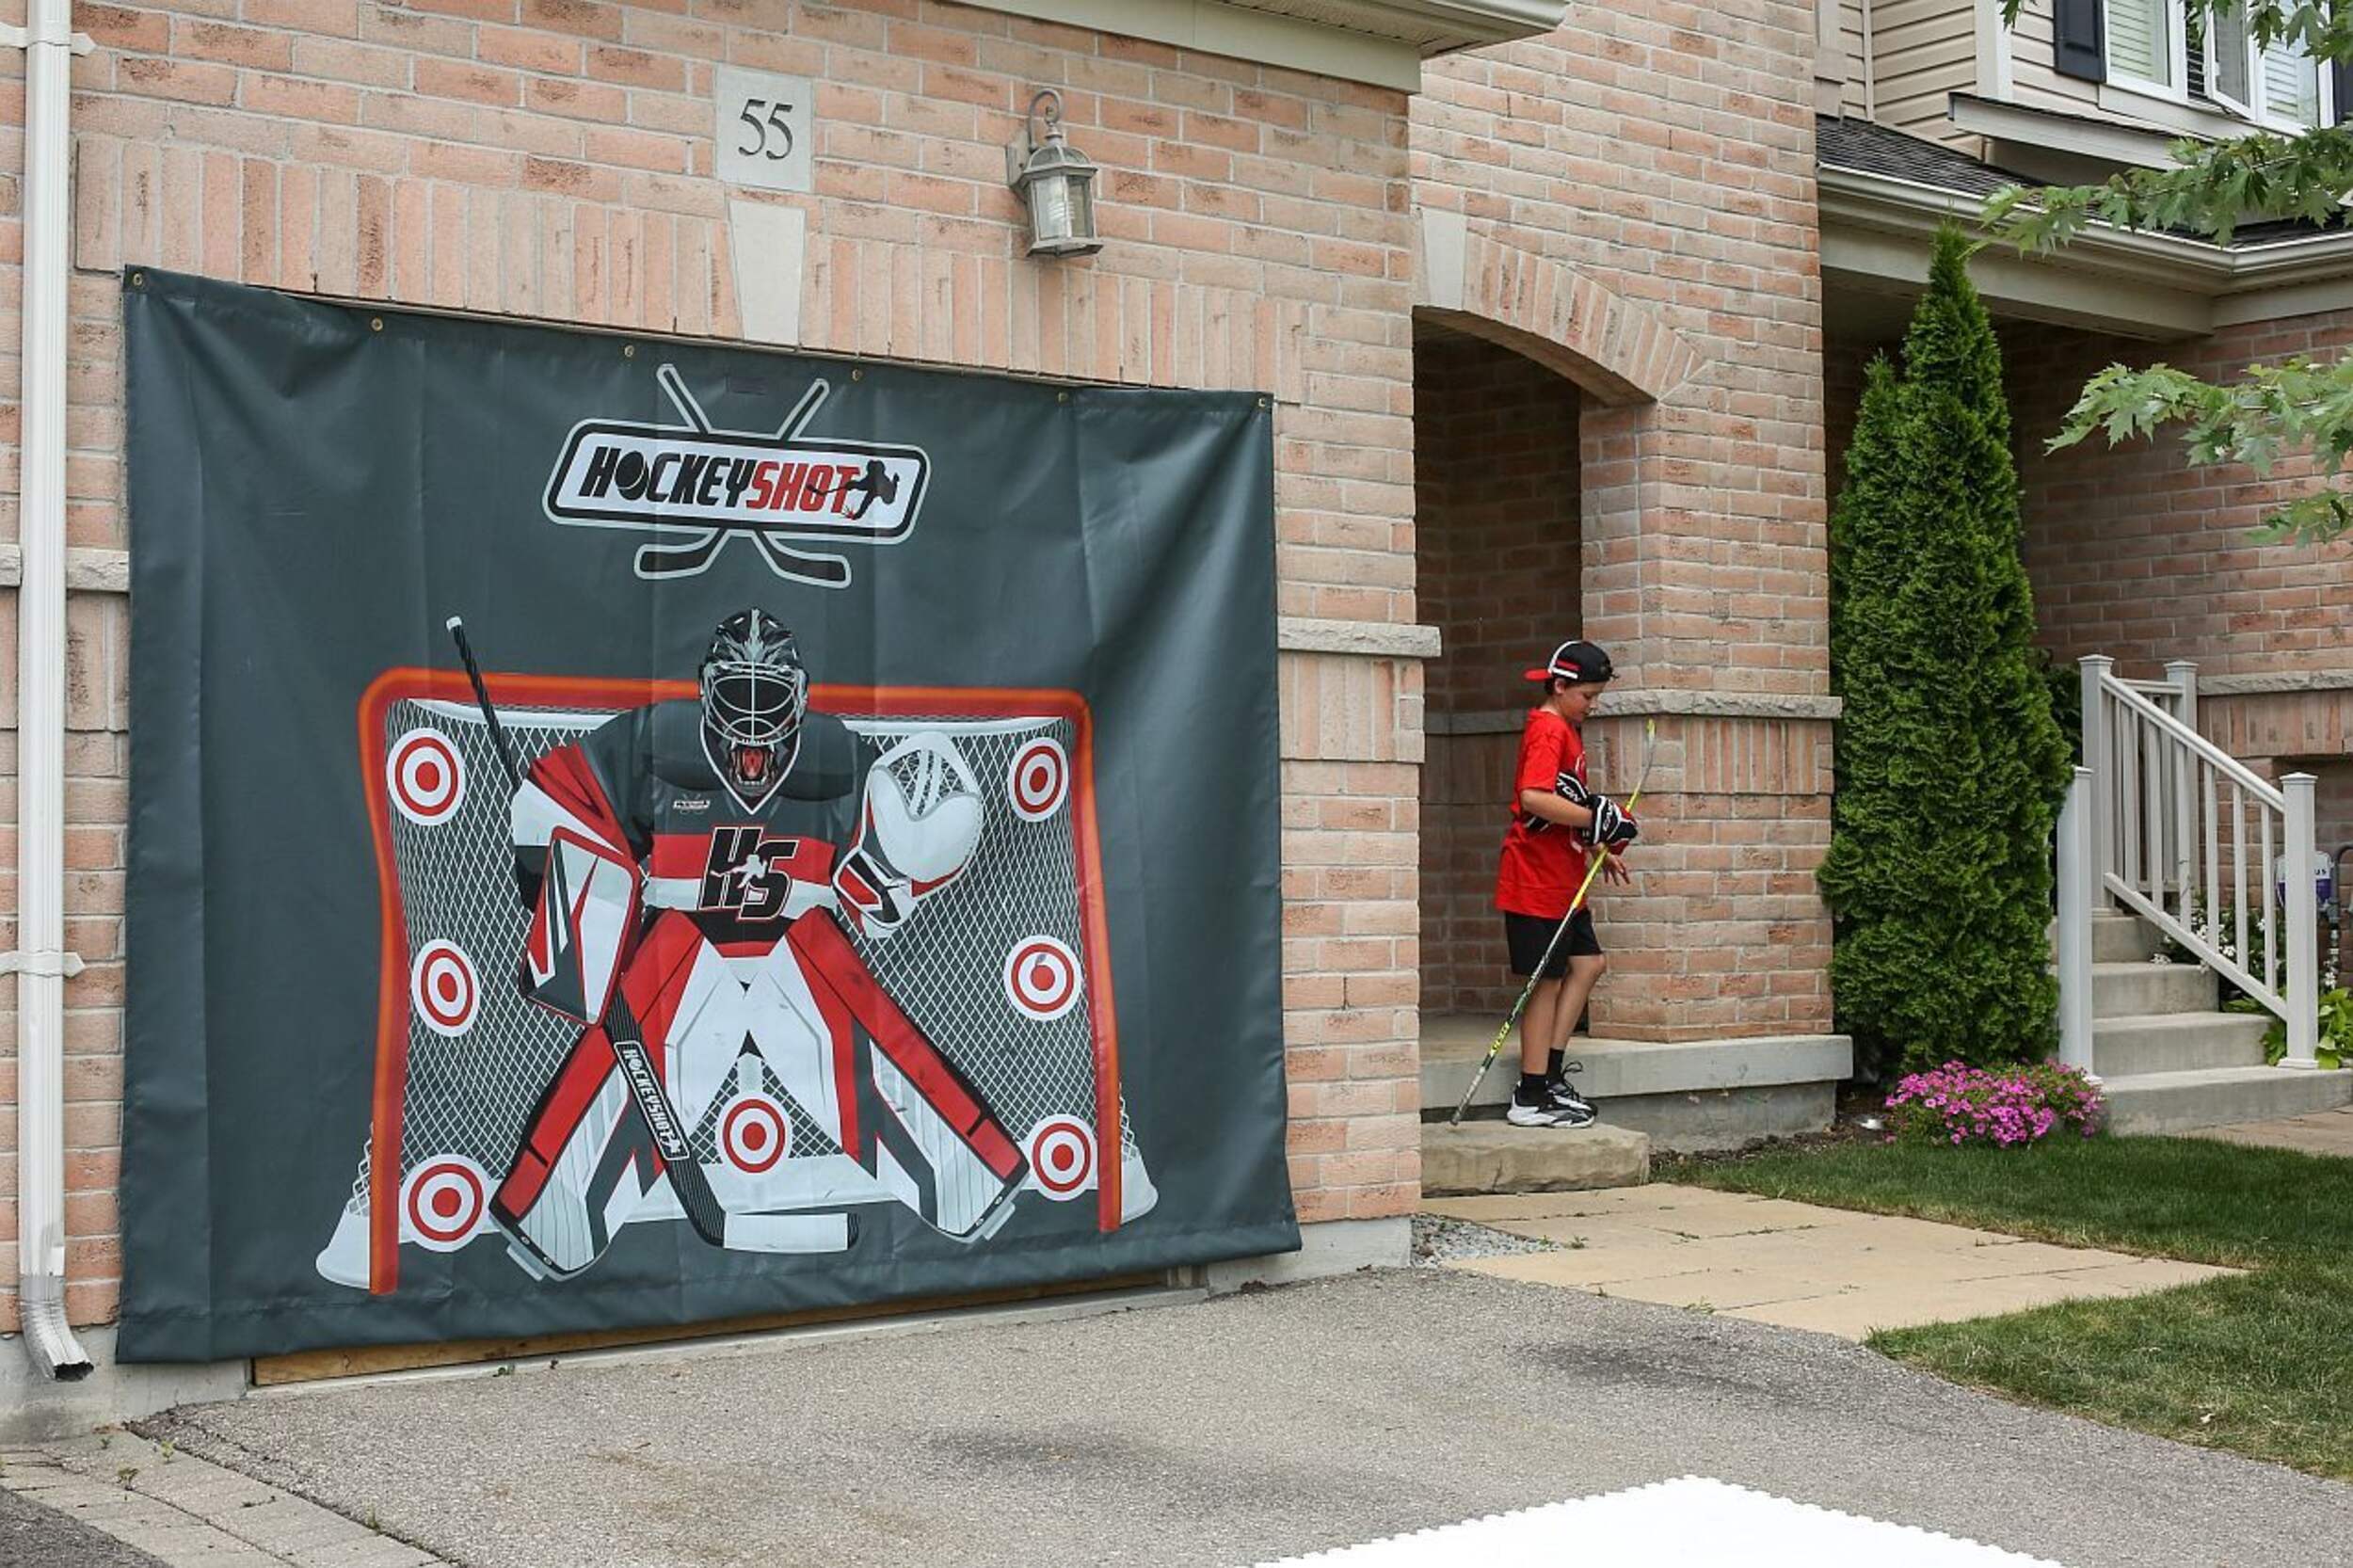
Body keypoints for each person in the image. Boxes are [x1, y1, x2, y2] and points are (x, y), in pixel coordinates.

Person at [488, 609, 1028, 1280]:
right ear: (706, 691)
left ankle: (966, 1179)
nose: (751, 720)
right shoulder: (656, 740)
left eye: (766, 697)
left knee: (861, 1028)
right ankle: (554, 1215)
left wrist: (902, 862)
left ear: (797, 696)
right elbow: (563, 794)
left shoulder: (835, 756)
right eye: (737, 696)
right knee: (638, 1035)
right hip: (679, 957)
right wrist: (568, 870)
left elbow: (877, 892)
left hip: (799, 959)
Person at [1493, 639, 1639, 1128]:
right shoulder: (1548, 730)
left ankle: (1550, 1076)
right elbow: (1533, 798)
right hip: (1534, 880)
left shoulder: (1569, 731)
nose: (1592, 706)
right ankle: (1530, 1096)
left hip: (1565, 880)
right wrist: (1598, 819)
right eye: (1588, 696)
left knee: (1589, 964)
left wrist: (1599, 844)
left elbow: (1569, 809)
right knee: (1546, 982)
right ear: (1560, 686)